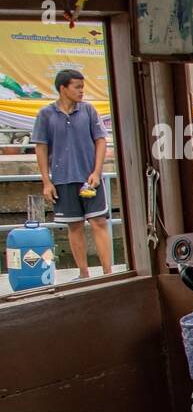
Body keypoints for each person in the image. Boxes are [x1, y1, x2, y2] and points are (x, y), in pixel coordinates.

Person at [33, 69, 112, 278]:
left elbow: (101, 140)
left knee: (99, 222)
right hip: (62, 179)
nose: (81, 91)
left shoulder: (88, 111)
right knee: (74, 225)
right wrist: (46, 182)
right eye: (77, 87)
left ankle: (108, 273)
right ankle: (83, 273)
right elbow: (41, 148)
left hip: (89, 178)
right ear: (63, 88)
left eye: (82, 87)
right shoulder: (46, 114)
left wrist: (97, 171)